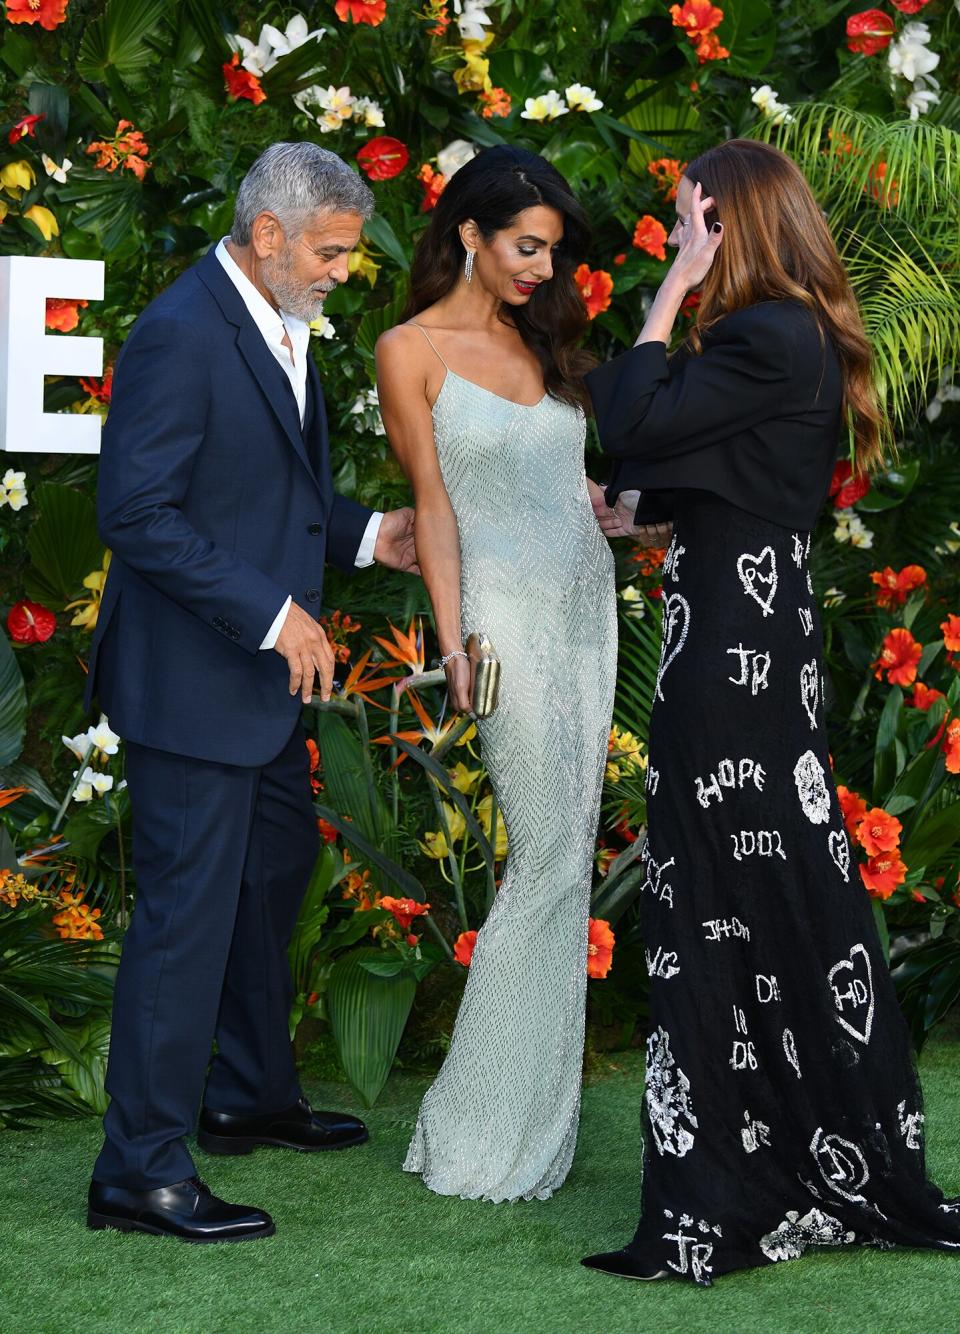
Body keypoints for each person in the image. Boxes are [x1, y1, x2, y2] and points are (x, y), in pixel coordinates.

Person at [581, 138, 960, 1285]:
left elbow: (630, 420)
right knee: (761, 892)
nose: (681, 231)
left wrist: (671, 286)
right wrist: (648, 516)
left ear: (730, 220)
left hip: (734, 665)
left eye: (694, 216)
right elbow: (718, 473)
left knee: (727, 894)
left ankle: (735, 1193)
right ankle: (792, 1159)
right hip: (758, 645)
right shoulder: (787, 340)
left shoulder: (763, 329)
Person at [84, 142, 419, 1243]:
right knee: (185, 920)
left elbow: (269, 498)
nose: (340, 271)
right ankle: (138, 1168)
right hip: (195, 681)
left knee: (274, 871)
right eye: (329, 251)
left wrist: (375, 534)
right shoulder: (183, 333)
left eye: (349, 253)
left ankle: (245, 1093)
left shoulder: (279, 323)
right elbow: (137, 512)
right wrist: (277, 615)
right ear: (268, 234)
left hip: (255, 683)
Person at [376, 145, 617, 1202]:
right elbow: (433, 505)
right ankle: (476, 1127)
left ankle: (534, 1121)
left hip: (585, 605)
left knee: (571, 851)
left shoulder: (540, 339)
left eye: (552, 253)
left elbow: (570, 487)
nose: (541, 269)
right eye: (527, 246)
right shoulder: (407, 348)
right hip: (505, 619)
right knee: (552, 853)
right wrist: (452, 637)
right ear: (469, 233)